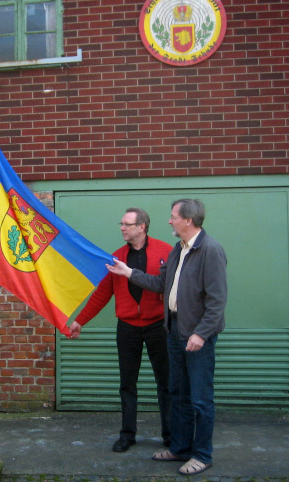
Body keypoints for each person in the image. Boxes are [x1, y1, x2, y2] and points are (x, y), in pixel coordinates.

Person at [106, 199, 227, 476]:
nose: (170, 221)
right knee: (179, 394)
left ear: (188, 220)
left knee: (200, 399)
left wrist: (201, 333)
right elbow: (160, 283)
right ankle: (180, 448)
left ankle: (202, 455)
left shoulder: (210, 250)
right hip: (174, 332)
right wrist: (129, 273)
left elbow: (217, 301)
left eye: (173, 217)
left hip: (197, 338)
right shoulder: (178, 251)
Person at [69, 208, 172, 452]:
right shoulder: (117, 258)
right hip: (127, 328)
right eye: (122, 224)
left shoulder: (166, 251)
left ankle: (171, 434)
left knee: (166, 383)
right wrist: (80, 321)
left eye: (127, 224)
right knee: (127, 383)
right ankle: (127, 434)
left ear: (142, 227)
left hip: (158, 326)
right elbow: (102, 294)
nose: (122, 228)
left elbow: (176, 287)